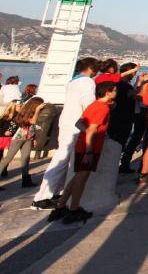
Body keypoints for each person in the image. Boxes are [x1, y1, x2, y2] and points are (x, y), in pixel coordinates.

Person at [32, 57, 99, 210]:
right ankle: (42, 197)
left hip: (66, 122)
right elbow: (88, 105)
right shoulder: (87, 82)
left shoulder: (73, 81)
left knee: (63, 160)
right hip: (76, 126)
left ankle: (54, 193)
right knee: (61, 160)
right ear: (91, 69)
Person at [47, 83, 116, 224]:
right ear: (108, 93)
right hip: (89, 148)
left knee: (77, 176)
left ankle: (61, 206)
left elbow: (79, 123)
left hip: (81, 145)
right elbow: (92, 129)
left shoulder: (94, 105)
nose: (116, 92)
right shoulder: (102, 108)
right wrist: (89, 150)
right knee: (82, 178)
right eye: (114, 90)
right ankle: (74, 209)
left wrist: (87, 135)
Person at [0, 97, 45, 187]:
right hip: (19, 138)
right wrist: (37, 110)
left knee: (25, 159)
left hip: (28, 138)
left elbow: (33, 126)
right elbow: (33, 121)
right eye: (40, 104)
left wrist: (34, 138)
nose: (41, 106)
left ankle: (26, 180)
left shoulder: (33, 112)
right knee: (8, 158)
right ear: (35, 105)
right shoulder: (24, 112)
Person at [119, 72, 148, 173]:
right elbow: (139, 97)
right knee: (144, 138)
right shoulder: (143, 85)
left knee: (135, 138)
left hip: (137, 113)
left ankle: (125, 163)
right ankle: (143, 167)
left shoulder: (136, 85)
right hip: (144, 112)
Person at [108, 63, 139, 150]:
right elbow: (137, 96)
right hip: (125, 119)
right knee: (119, 144)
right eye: (133, 72)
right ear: (128, 72)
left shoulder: (113, 85)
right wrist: (140, 82)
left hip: (113, 117)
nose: (134, 75)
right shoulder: (127, 87)